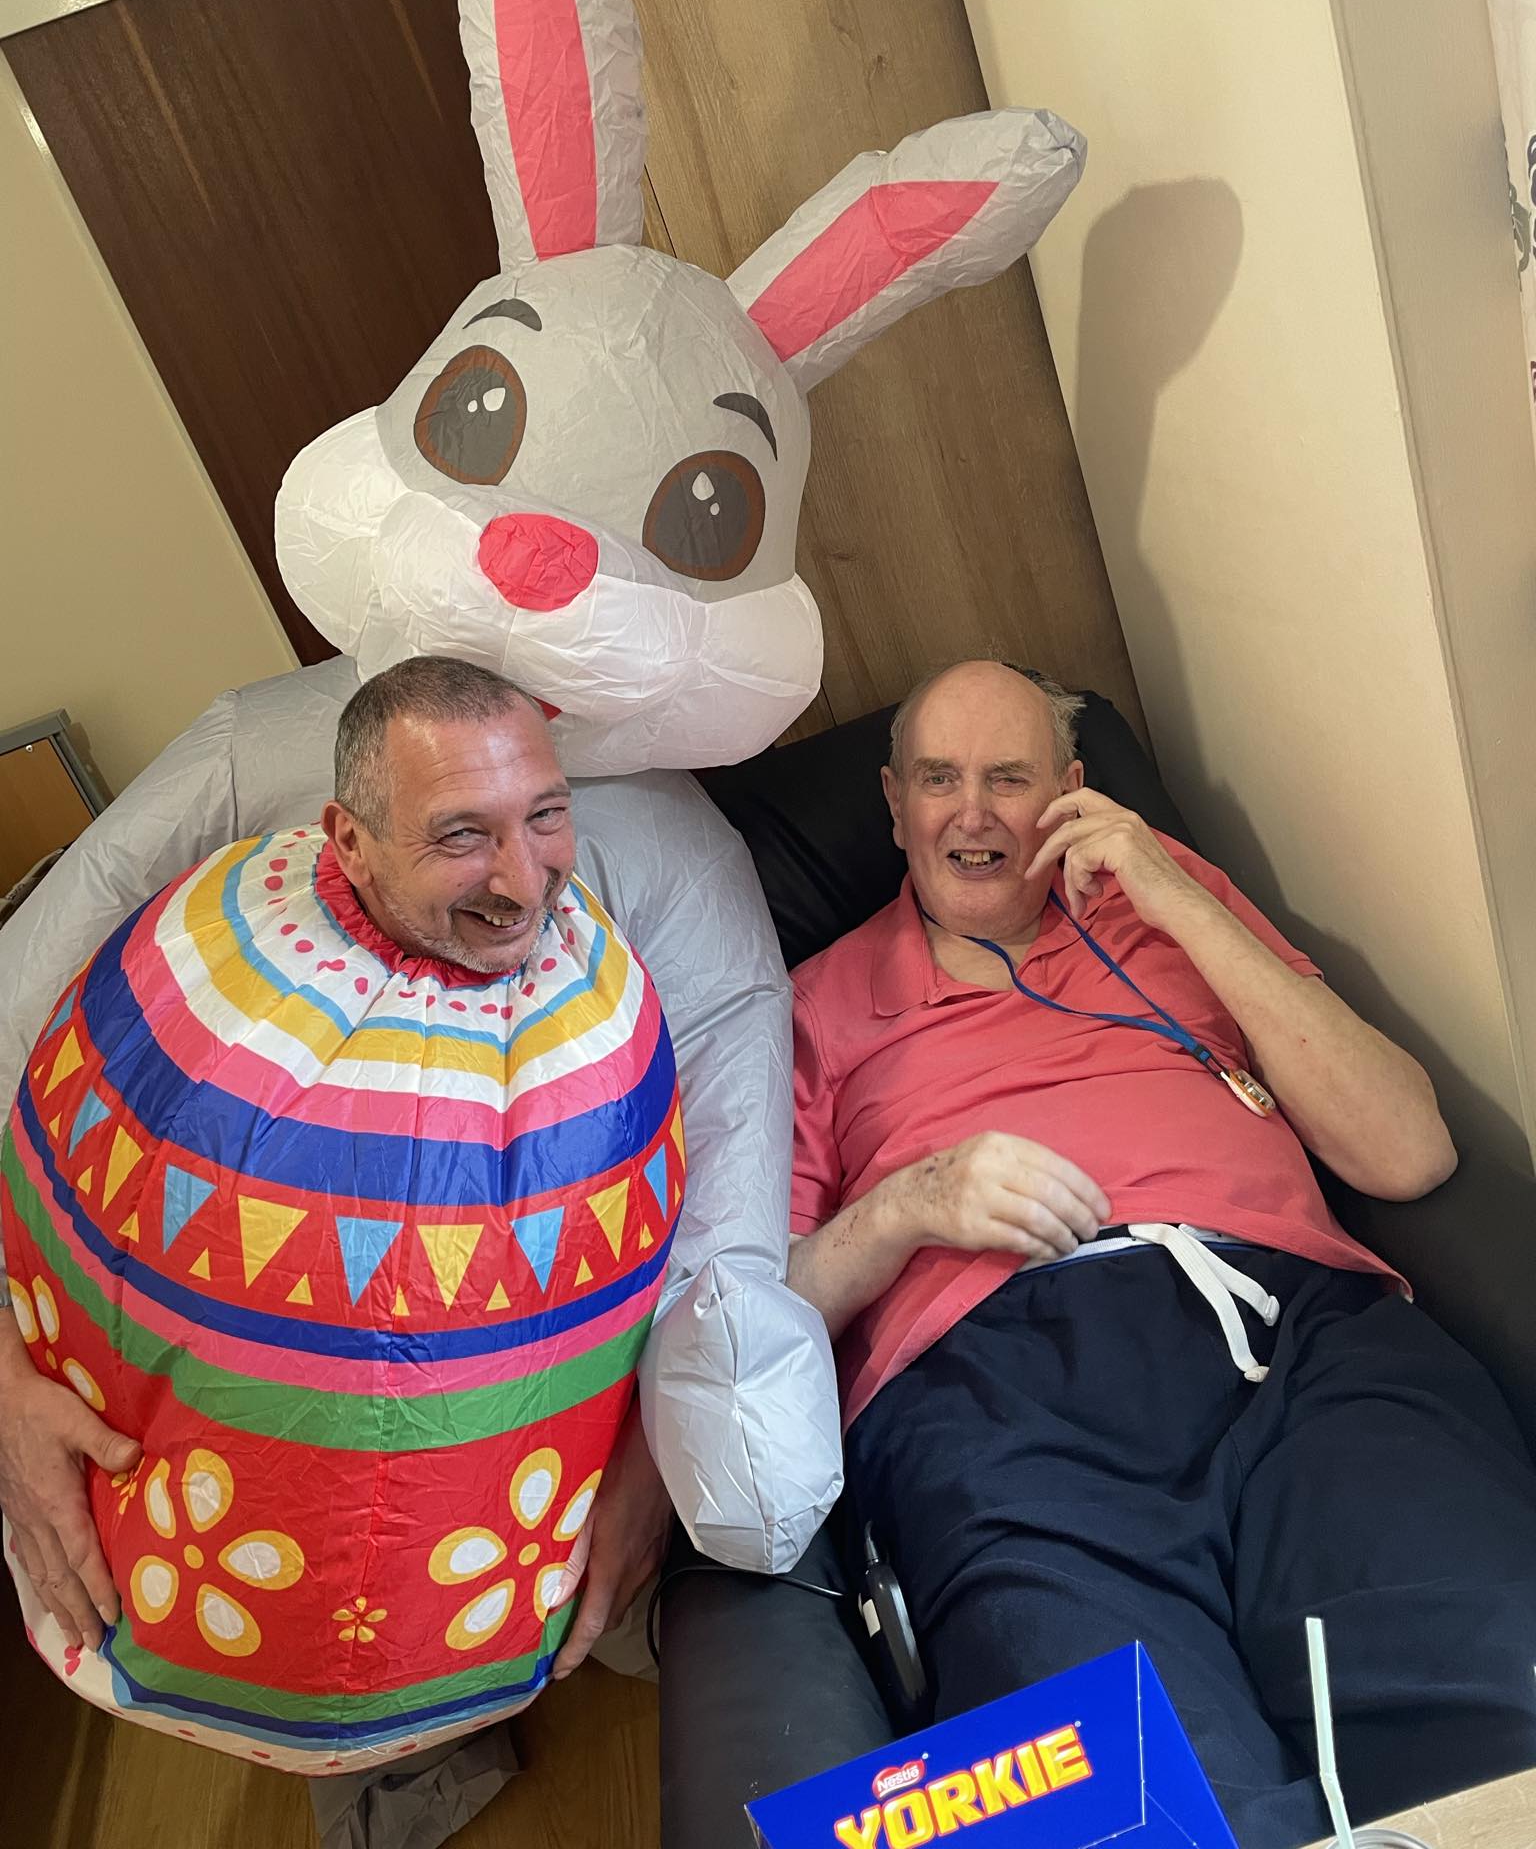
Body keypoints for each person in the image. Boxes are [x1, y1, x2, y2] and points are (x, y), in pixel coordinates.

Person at [786, 658, 1536, 1849]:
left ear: (1073, 792)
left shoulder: (1169, 909)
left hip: (1307, 1339)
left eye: (1010, 778)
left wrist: (1170, 888)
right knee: (1129, 1807)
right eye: (939, 779)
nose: (972, 812)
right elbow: (754, 1329)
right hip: (1002, 1399)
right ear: (892, 804)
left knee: (1492, 1699)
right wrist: (911, 1202)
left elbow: (1410, 1152)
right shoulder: (813, 1007)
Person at [0, 658, 684, 1769]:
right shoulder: (206, 936)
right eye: (462, 834)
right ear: (348, 840)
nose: (524, 876)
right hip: (146, 1576)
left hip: (501, 1614)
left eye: (545, 816)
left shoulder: (609, 985)